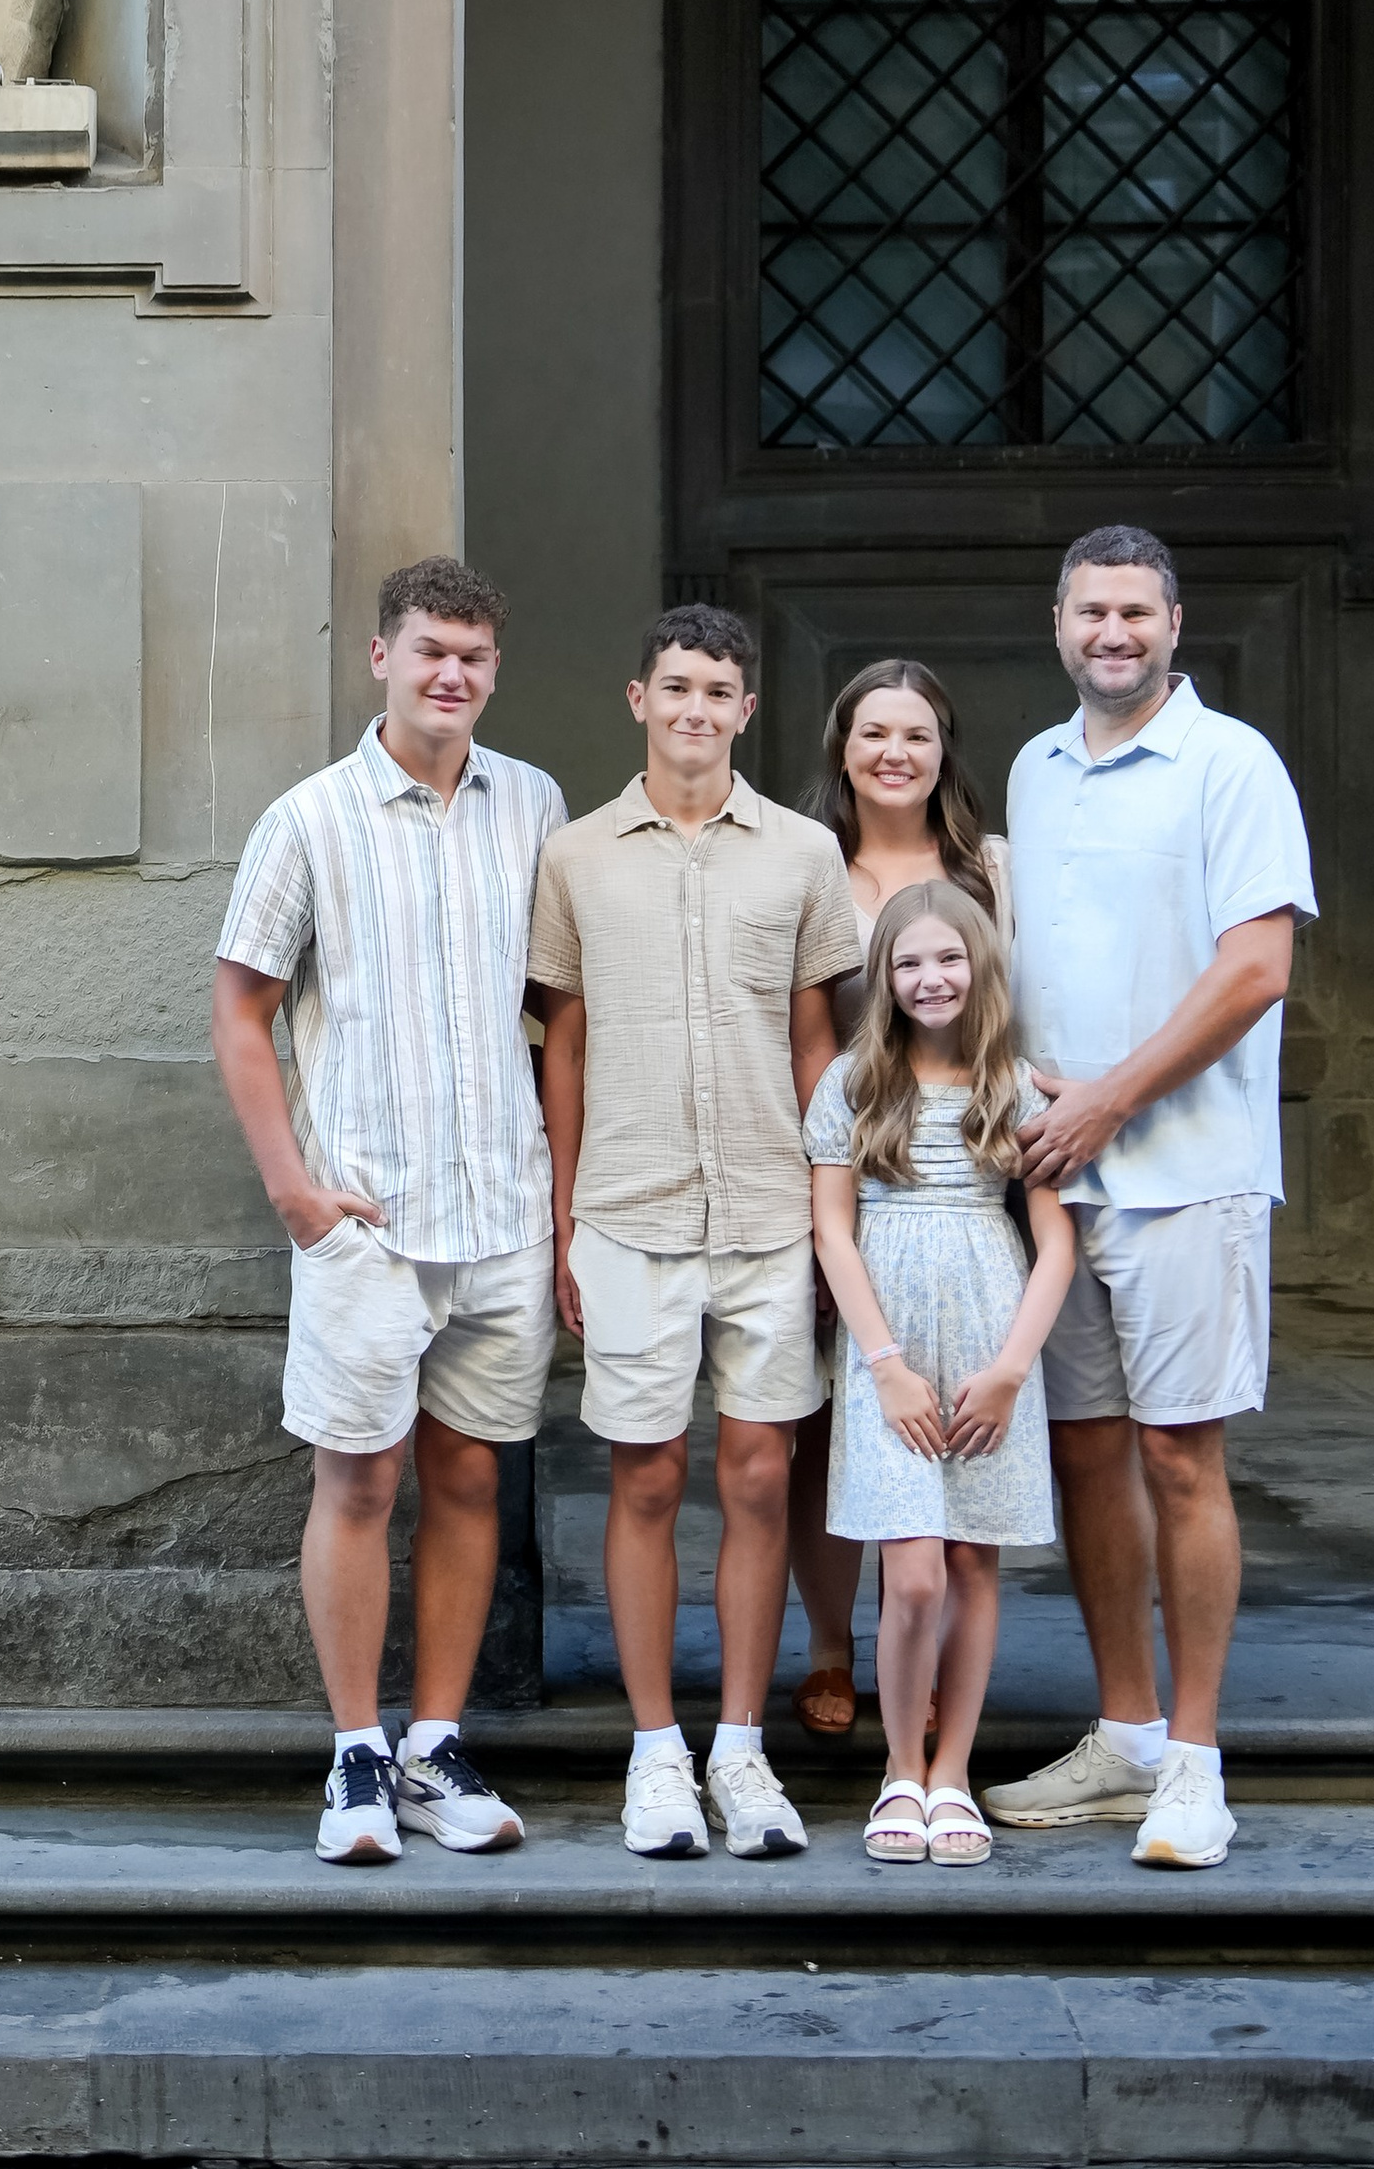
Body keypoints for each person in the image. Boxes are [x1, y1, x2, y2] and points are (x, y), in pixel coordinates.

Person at [213, 558, 562, 1866]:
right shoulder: (309, 820)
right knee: (359, 1479)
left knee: (473, 1481)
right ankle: (355, 1753)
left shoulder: (531, 804)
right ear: (382, 659)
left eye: (472, 656)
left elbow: (557, 1009)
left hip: (503, 1209)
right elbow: (240, 1008)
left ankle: (433, 1744)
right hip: (365, 1215)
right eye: (429, 652)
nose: (451, 675)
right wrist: (294, 1191)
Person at [981, 524, 1315, 1871]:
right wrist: (1021, 1089)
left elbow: (1255, 971)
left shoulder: (1232, 765)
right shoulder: (1036, 769)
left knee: (1182, 1457)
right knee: (1085, 1459)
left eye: (1135, 612)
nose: (1110, 634)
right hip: (1064, 1183)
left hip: (1189, 1178)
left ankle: (1193, 1762)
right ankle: (1122, 1733)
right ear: (1056, 624)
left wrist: (1110, 1096)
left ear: (1176, 624)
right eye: (1088, 612)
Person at [530, 604, 860, 1861]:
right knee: (647, 1472)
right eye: (676, 687)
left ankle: (741, 1748)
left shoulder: (800, 855)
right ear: (637, 699)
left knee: (762, 1472)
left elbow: (814, 1039)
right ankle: (656, 1753)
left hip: (771, 1209)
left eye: (718, 690)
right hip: (626, 1206)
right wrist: (564, 1215)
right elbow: (563, 1039)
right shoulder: (574, 858)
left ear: (745, 708)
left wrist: (826, 1206)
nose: (695, 710)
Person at [807, 886, 1074, 1865]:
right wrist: (882, 1365)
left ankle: (951, 1771)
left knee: (970, 1560)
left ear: (981, 968)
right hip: (893, 1347)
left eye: (949, 960)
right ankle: (898, 1768)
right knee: (910, 1574)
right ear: (884, 977)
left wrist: (1010, 1369)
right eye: (909, 963)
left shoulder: (1016, 1087)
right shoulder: (852, 1084)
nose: (931, 979)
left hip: (988, 1336)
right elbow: (833, 1230)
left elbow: (1052, 1247)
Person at [787, 659, 1011, 1740]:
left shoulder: (985, 870)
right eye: (873, 733)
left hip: (954, 1178)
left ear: (941, 751)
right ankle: (834, 1647)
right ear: (842, 748)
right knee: (833, 1416)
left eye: (915, 735)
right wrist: (817, 1183)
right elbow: (800, 1029)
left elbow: (1015, 1009)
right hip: (835, 1165)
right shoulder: (803, 862)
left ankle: (917, 1663)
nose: (893, 753)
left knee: (941, 1418)